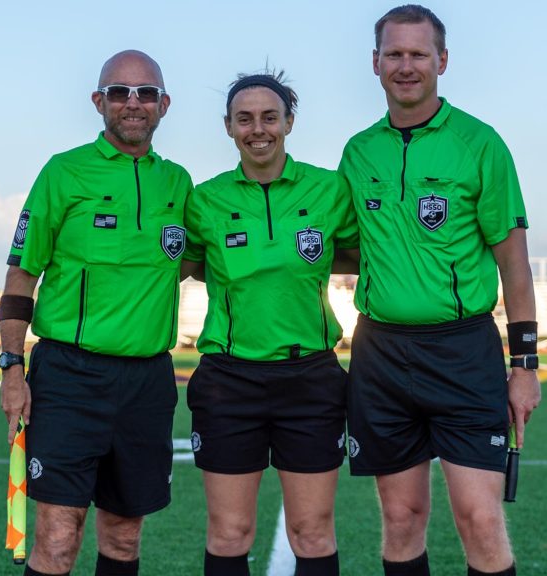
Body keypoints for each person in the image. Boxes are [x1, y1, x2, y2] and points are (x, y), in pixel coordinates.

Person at [338, 6, 541, 575]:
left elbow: (515, 265)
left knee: (479, 519)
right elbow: (344, 247)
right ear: (375, 63)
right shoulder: (357, 153)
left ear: (442, 61)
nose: (406, 66)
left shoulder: (480, 144)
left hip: (462, 351)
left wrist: (525, 364)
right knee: (401, 518)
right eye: (395, 54)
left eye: (418, 55)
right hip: (379, 352)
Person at [0, 50, 192, 576]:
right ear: (98, 101)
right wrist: (11, 367)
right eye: (120, 92)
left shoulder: (179, 184)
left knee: (125, 539)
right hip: (70, 378)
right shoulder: (63, 173)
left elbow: (206, 260)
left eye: (146, 93)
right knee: (59, 539)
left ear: (164, 105)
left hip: (148, 381)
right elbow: (21, 277)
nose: (134, 102)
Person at [182, 71, 358, 576]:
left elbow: (358, 255)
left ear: (289, 122)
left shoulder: (329, 190)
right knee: (230, 533)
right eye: (244, 119)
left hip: (311, 379)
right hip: (228, 382)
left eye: (269, 117)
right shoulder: (205, 199)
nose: (257, 129)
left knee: (313, 532)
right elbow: (183, 265)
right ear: (228, 128)